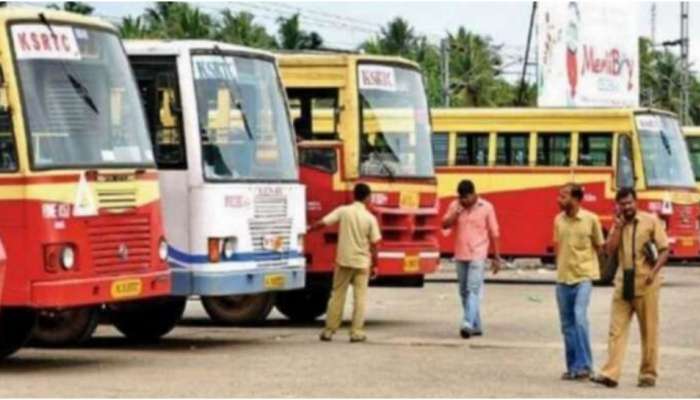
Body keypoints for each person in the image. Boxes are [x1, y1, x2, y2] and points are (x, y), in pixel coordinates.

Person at [591, 188, 669, 388]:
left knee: (649, 330)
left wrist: (654, 272)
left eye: (629, 203)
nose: (626, 207)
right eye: (622, 204)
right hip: (623, 283)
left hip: (646, 283)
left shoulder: (651, 221)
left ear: (636, 202)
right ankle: (611, 374)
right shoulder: (619, 224)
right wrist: (616, 228)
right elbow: (609, 250)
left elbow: (664, 250)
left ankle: (648, 373)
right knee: (616, 330)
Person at [308, 183, 381, 343]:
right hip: (362, 263)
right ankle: (356, 332)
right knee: (360, 298)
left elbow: (323, 223)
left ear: (354, 195)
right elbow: (375, 245)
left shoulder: (344, 211)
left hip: (344, 261)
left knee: (337, 295)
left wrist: (308, 229)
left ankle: (329, 331)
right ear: (368, 198)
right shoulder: (370, 218)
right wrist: (375, 264)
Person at [552, 183, 604, 381]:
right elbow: (558, 247)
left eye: (563, 196)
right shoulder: (558, 220)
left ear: (575, 199)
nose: (559, 200)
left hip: (583, 277)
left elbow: (599, 247)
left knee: (580, 318)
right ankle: (573, 367)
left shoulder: (591, 220)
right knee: (567, 325)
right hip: (563, 279)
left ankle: (585, 366)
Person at [442, 179, 502, 339]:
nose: (464, 201)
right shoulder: (455, 206)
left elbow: (494, 232)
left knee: (473, 289)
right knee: (463, 292)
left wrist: (496, 257)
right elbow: (445, 225)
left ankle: (467, 322)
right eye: (461, 198)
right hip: (461, 254)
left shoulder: (487, 207)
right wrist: (457, 212)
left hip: (478, 253)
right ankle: (476, 325)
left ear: (474, 194)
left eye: (467, 198)